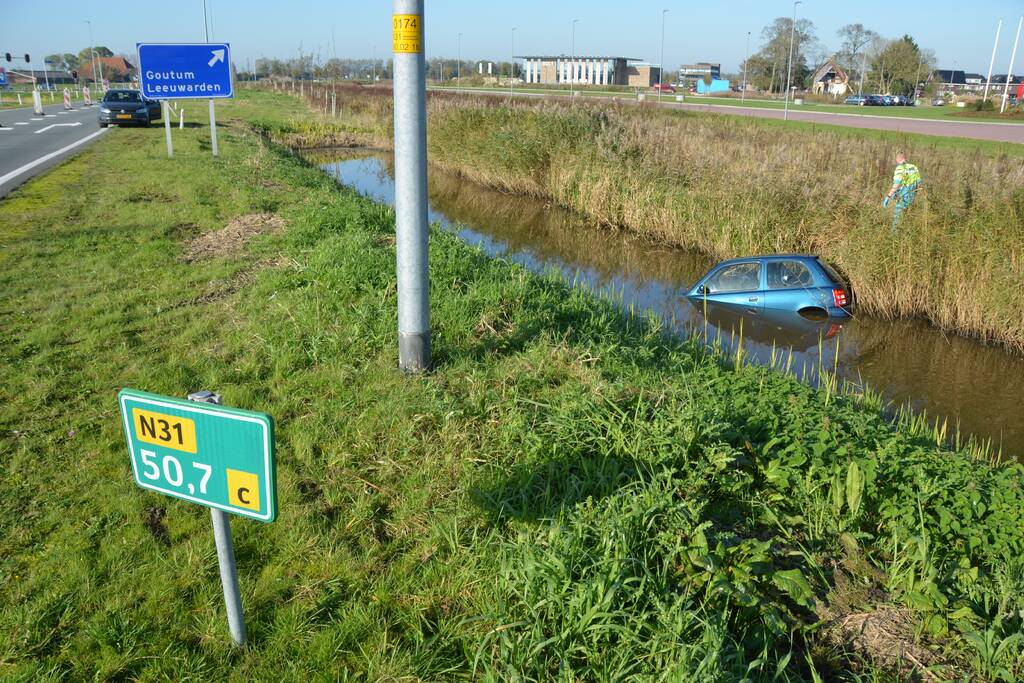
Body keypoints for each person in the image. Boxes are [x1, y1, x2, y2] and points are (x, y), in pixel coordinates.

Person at [882, 152, 922, 228]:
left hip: (903, 195)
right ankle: (905, 230)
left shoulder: (899, 168)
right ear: (905, 158)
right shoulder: (914, 167)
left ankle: (894, 235)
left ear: (897, 159)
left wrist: (888, 196)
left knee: (897, 216)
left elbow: (896, 184)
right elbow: (919, 184)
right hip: (912, 194)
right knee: (907, 214)